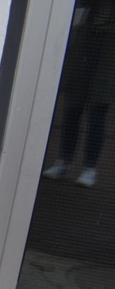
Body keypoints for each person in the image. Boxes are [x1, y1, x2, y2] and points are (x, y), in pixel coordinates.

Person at [42, 0, 114, 187]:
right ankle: (64, 162)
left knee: (97, 110)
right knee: (73, 106)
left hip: (108, 45)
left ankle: (89, 168)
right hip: (85, 35)